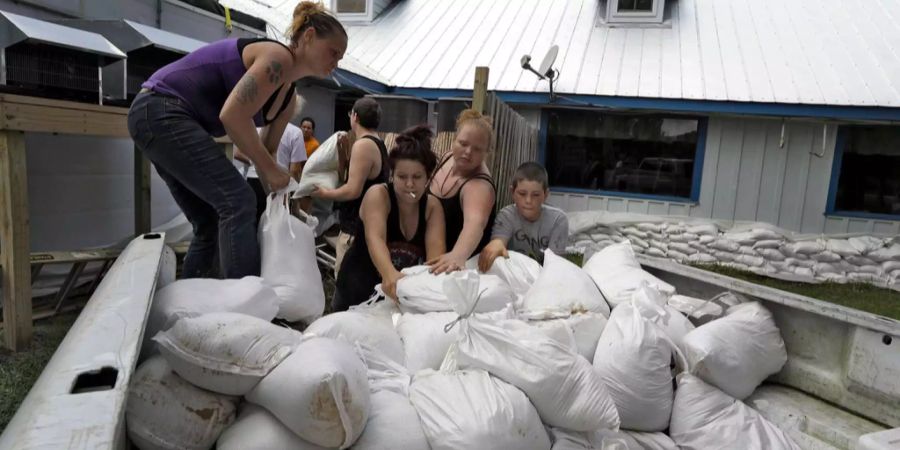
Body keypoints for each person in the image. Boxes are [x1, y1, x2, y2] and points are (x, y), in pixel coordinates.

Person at [128, 1, 346, 279]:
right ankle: (242, 304)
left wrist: (282, 201)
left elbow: (266, 152)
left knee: (208, 220)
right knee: (238, 200)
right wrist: (269, 169)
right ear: (309, 37)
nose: (336, 63)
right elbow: (232, 116)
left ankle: (190, 306)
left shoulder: (288, 99)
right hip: (159, 109)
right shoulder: (276, 57)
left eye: (340, 58)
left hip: (160, 119)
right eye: (333, 52)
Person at [333, 125, 445, 311]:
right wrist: (389, 274)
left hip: (398, 298)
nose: (409, 184)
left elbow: (434, 261)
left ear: (428, 177)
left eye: (417, 177)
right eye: (402, 177)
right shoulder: (378, 195)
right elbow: (374, 238)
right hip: (357, 289)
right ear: (392, 175)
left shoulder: (432, 208)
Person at [312, 96, 389, 274]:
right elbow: (349, 179)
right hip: (365, 227)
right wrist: (342, 156)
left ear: (355, 116)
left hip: (356, 231)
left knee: (347, 286)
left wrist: (324, 193)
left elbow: (353, 190)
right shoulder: (377, 143)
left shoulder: (363, 145)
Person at [426, 109, 497, 274]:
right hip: (430, 254)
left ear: (487, 153)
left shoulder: (479, 186)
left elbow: (475, 224)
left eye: (477, 149)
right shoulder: (447, 157)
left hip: (459, 269)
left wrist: (457, 255)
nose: (467, 152)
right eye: (463, 143)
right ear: (454, 139)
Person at [478, 162, 569, 272]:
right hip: (514, 273)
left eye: (535, 195)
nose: (528, 201)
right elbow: (498, 244)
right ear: (512, 192)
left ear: (545, 195)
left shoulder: (558, 219)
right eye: (522, 194)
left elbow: (556, 265)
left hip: (544, 277)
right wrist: (496, 244)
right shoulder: (506, 215)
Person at [233, 121, 308, 224]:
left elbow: (238, 153)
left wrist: (256, 162)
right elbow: (294, 170)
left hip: (253, 181)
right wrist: (292, 196)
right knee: (276, 227)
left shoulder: (253, 127)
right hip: (280, 184)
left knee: (254, 223)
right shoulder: (295, 132)